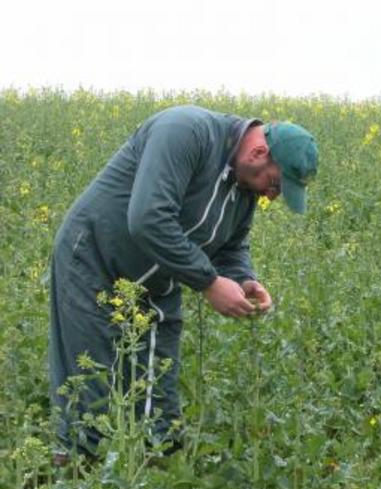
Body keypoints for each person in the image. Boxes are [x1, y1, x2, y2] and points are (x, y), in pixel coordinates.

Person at [49, 105, 318, 460]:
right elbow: (147, 218)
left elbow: (232, 244)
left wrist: (244, 279)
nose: (272, 196)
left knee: (157, 400)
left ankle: (153, 487)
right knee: (91, 390)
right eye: (275, 184)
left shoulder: (244, 183)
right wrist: (208, 282)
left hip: (156, 284)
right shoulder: (185, 131)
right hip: (93, 263)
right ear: (258, 152)